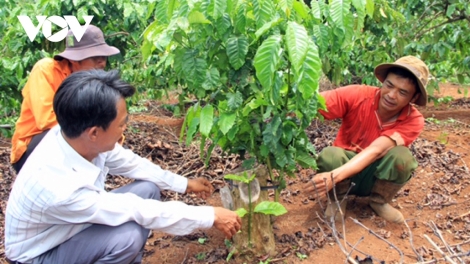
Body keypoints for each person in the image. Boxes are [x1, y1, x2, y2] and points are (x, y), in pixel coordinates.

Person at [5, 70, 242, 264]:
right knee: (126, 238)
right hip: (39, 254)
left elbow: (131, 163)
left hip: (66, 227)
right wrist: (209, 216)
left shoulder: (71, 135)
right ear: (95, 133)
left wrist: (184, 184)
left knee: (148, 189)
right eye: (120, 125)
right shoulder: (59, 188)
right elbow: (133, 209)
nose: (124, 130)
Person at [304, 56, 429, 224]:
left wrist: (333, 176)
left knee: (402, 158)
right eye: (389, 85)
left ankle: (379, 201)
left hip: (374, 175)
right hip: (344, 169)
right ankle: (338, 199)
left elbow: (377, 150)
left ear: (413, 99)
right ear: (383, 82)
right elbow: (314, 104)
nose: (392, 95)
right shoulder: (358, 95)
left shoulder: (413, 120)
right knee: (330, 155)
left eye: (403, 92)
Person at [10, 24, 120, 173]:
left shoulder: (93, 82)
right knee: (80, 135)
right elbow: (47, 121)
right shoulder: (46, 70)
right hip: (34, 147)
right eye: (95, 57)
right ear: (75, 59)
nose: (102, 62)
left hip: (73, 146)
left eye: (103, 57)